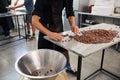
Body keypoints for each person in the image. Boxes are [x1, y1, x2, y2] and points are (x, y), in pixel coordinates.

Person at [32, 0, 79, 75]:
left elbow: (70, 12)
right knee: (45, 55)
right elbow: (34, 21)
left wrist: (73, 25)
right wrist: (49, 33)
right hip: (44, 30)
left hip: (58, 27)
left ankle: (68, 67)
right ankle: (45, 73)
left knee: (63, 50)